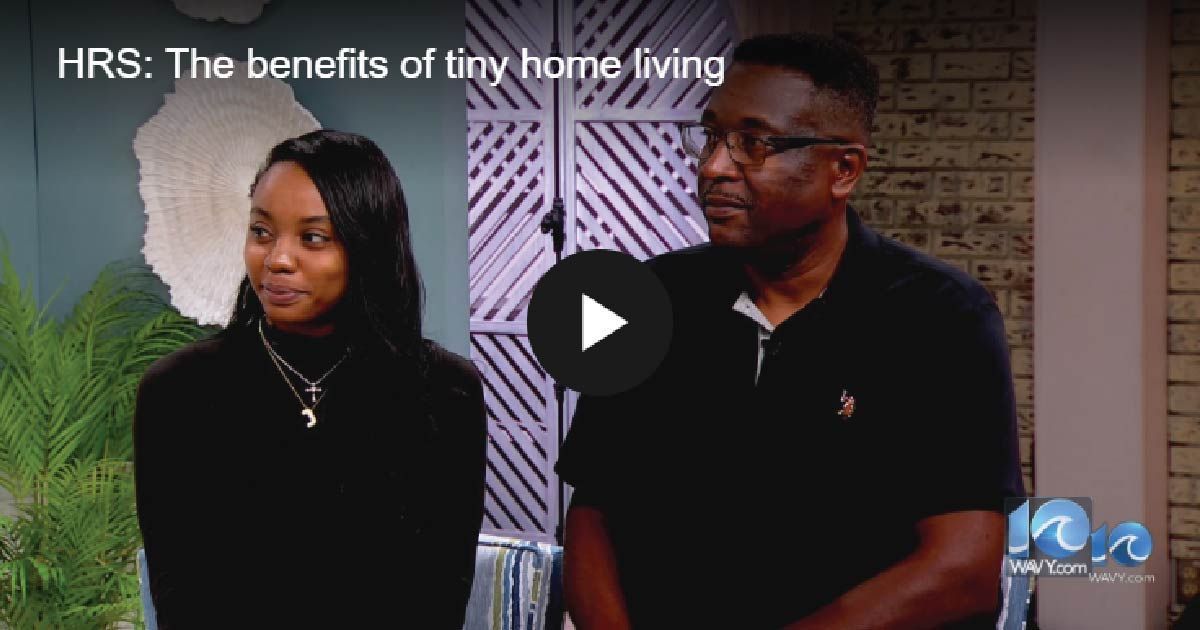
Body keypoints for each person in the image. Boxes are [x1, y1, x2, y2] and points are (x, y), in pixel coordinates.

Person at [556, 33, 1024, 629]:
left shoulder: (941, 316)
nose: (713, 167)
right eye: (711, 136)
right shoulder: (648, 300)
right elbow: (594, 513)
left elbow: (963, 568)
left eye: (753, 144)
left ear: (844, 170)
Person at [133, 130, 486, 628]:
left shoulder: (445, 391)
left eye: (313, 238)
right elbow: (181, 597)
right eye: (261, 232)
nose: (276, 258)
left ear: (367, 247)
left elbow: (437, 598)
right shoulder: (179, 391)